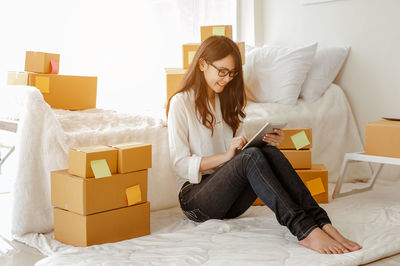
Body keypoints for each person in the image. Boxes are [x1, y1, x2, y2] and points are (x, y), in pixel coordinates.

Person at [166, 35, 362, 254]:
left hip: (229, 202)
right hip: (195, 200)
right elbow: (180, 164)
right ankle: (305, 230)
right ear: (202, 64)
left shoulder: (227, 101)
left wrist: (263, 142)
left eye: (232, 73)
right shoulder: (180, 103)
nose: (227, 78)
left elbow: (240, 152)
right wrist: (226, 155)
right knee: (251, 157)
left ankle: (322, 222)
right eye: (222, 71)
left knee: (264, 150)